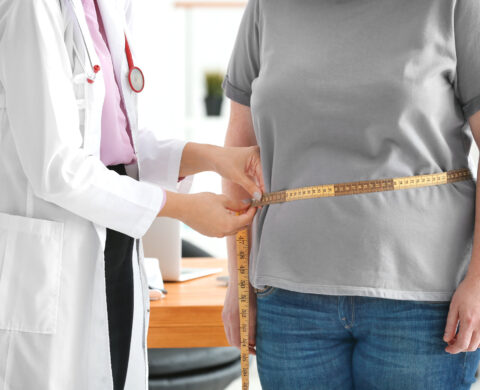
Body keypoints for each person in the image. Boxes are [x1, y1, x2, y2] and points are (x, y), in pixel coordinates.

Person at [0, 1, 263, 389]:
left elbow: (120, 145)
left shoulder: (108, 7)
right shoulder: (31, 8)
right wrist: (182, 208)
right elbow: (57, 167)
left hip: (116, 247)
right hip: (59, 260)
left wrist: (213, 158)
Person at [221, 0, 480, 389]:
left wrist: (478, 281)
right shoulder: (266, 7)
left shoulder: (454, 6)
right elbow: (238, 152)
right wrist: (237, 282)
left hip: (423, 302)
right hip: (288, 300)